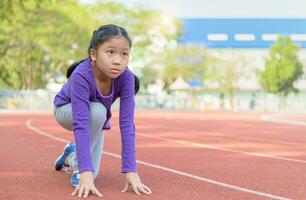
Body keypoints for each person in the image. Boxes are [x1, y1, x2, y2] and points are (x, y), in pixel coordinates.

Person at [52, 24, 152, 198]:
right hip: (65, 111)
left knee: (94, 174)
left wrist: (131, 171)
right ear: (93, 54)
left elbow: (127, 125)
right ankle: (79, 160)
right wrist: (84, 172)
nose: (117, 60)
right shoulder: (81, 75)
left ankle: (71, 154)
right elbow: (81, 124)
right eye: (110, 52)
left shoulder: (127, 78)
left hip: (95, 116)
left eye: (124, 54)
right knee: (98, 111)